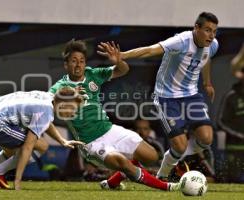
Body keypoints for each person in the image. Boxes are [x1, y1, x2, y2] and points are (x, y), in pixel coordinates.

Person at [98, 12, 219, 180]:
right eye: (207, 30)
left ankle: (177, 158)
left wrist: (207, 83)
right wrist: (122, 56)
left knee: (206, 139)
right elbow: (150, 50)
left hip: (191, 95)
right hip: (166, 97)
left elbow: (206, 58)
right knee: (180, 145)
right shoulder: (181, 41)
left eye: (214, 31)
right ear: (196, 28)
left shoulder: (212, 44)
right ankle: (163, 174)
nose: (211, 35)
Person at [49, 39, 180, 191]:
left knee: (152, 156)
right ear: (66, 65)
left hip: (110, 130)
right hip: (91, 143)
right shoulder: (59, 87)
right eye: (73, 61)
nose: (78, 65)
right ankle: (167, 187)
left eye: (82, 61)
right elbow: (51, 103)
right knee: (123, 163)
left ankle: (111, 183)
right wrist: (69, 96)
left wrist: (118, 61)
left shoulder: (92, 74)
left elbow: (123, 70)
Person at [0, 87, 84, 190]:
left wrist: (62, 140)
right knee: (42, 146)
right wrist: (18, 180)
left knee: (10, 151)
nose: (73, 113)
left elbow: (45, 121)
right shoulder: (46, 111)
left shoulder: (49, 97)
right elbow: (28, 147)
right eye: (73, 108)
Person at [217, 72, 244, 182]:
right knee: (234, 180)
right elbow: (220, 122)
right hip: (235, 148)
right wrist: (240, 135)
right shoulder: (231, 96)